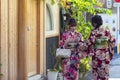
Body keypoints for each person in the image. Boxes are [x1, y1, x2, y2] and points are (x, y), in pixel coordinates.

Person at [79, 15, 116, 80]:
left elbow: (88, 44)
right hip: (105, 57)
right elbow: (113, 41)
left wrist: (80, 45)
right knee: (105, 76)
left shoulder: (93, 33)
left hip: (96, 58)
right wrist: (109, 51)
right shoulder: (106, 31)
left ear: (95, 23)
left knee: (96, 77)